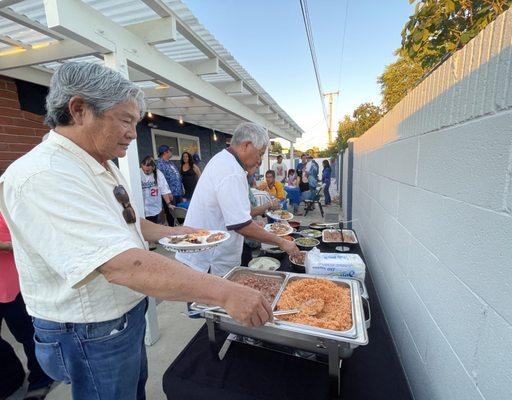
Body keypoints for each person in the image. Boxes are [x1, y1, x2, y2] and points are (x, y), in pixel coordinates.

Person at [0, 62, 273, 400]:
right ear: (79, 109)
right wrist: (224, 292)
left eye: (136, 122)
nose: (133, 132)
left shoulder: (100, 163)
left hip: (123, 317)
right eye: (126, 120)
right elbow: (120, 265)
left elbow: (128, 222)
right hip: (89, 331)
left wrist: (176, 233)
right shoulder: (45, 175)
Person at [175, 122, 299, 277]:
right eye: (260, 154)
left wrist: (253, 224)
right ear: (246, 145)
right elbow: (241, 226)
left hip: (207, 257)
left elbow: (234, 215)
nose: (259, 160)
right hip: (207, 263)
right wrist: (282, 242)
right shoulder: (231, 170)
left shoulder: (225, 160)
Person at [0, 213, 54, 400]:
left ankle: (41, 379)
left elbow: (26, 242)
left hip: (13, 285)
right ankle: (11, 378)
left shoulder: (4, 206)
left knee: (28, 336)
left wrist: (3, 245)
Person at [140, 155, 173, 224]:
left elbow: (164, 190)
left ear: (153, 167)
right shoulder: (137, 173)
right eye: (144, 170)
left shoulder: (158, 174)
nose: (145, 172)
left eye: (148, 170)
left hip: (154, 207)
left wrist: (169, 204)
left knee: (152, 226)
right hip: (141, 207)